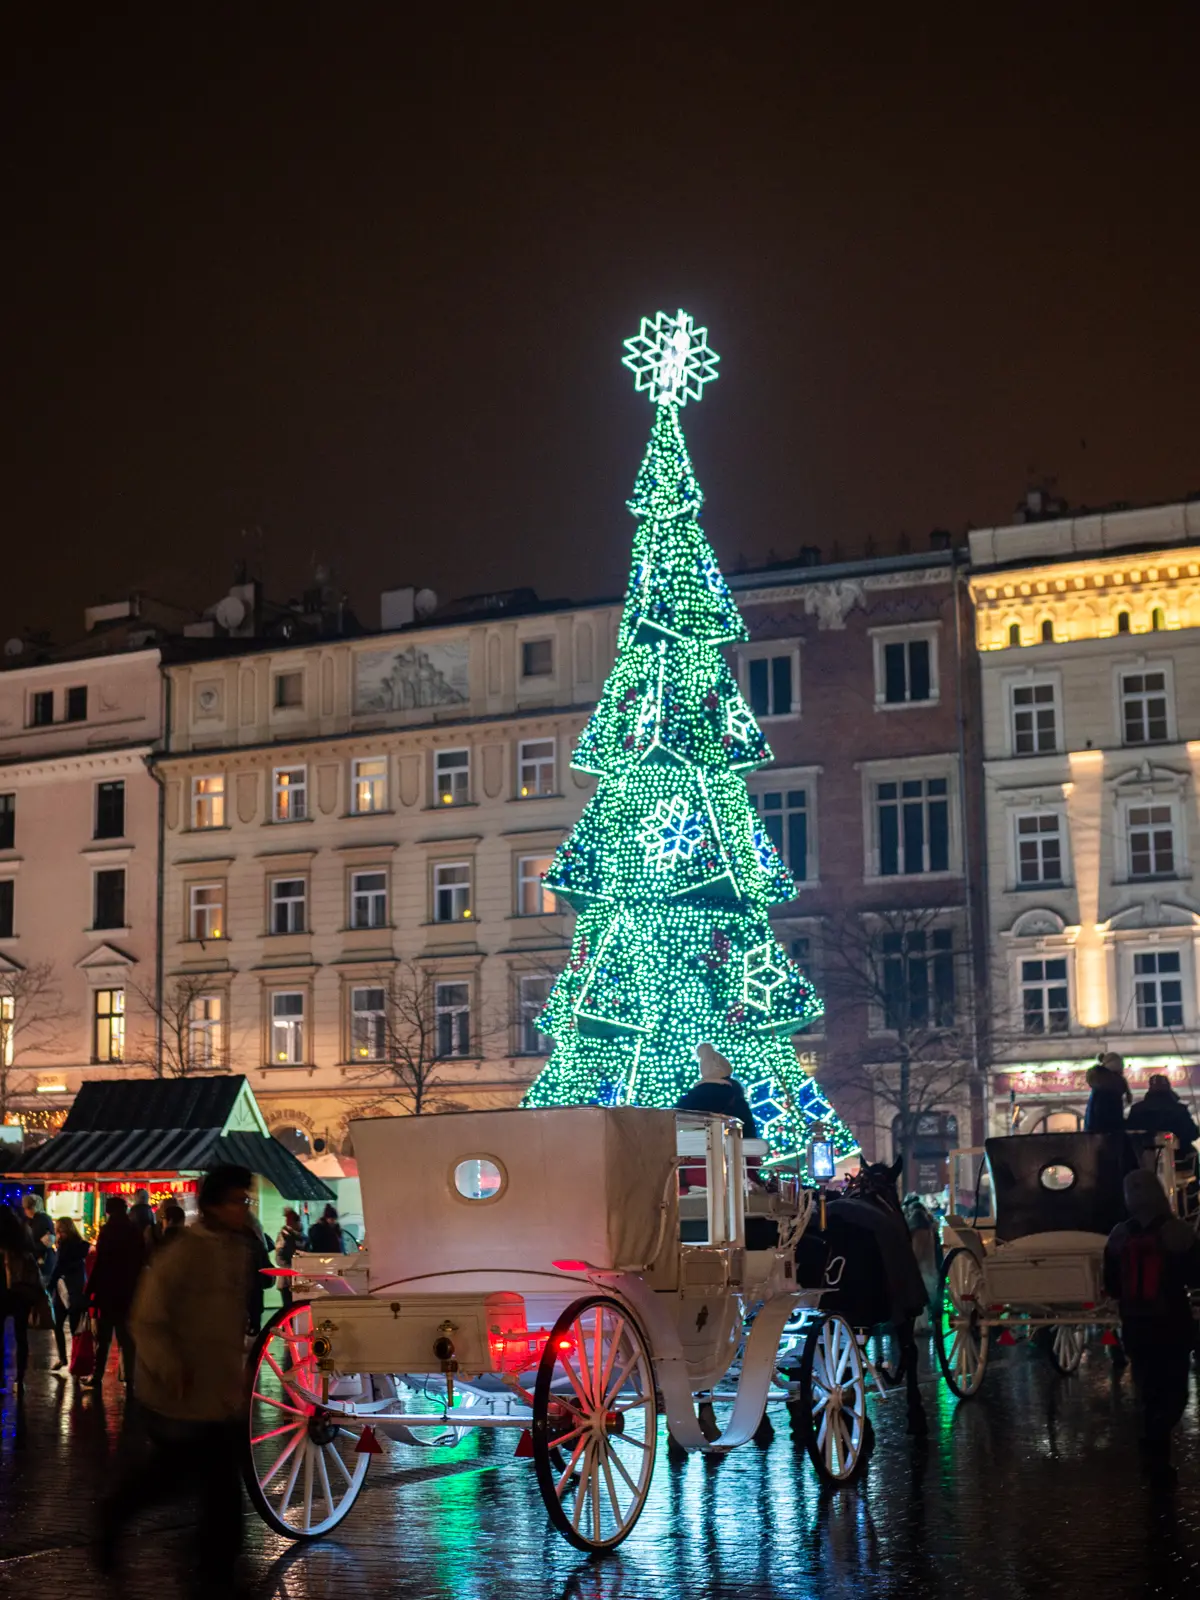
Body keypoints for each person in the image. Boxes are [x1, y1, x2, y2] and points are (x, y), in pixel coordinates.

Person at [98, 1164, 254, 1595]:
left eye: (246, 1200)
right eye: (238, 1200)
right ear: (214, 1205)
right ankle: (208, 1566)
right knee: (181, 1478)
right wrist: (169, 1369)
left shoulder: (236, 1250)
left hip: (214, 1395)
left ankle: (213, 1565)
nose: (244, 1209)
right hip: (181, 1394)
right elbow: (147, 1318)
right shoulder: (186, 1251)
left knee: (207, 1484)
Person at [1104, 1167, 1200, 1481]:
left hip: (1134, 1324)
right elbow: (1194, 1275)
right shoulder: (1178, 1231)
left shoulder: (1119, 1234)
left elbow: (1113, 1284)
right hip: (1172, 1322)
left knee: (1148, 1389)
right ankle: (1156, 1443)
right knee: (1175, 1394)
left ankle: (1152, 1455)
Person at [83, 1195, 145, 1393]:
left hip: (108, 1289)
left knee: (104, 1337)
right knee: (126, 1337)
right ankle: (130, 1377)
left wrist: (90, 1289)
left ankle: (98, 1375)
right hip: (128, 1290)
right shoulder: (133, 1230)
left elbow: (101, 1262)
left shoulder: (108, 1230)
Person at [676, 1042, 758, 1138]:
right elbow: (749, 1130)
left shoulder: (697, 1097)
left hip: (701, 1148)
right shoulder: (736, 1095)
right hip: (736, 1147)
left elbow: (675, 1118)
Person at [0, 1205, 40, 1392]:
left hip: (2, 1291)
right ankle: (20, 1378)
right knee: (21, 1335)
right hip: (21, 1291)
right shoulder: (23, 1237)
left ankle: (1, 1377)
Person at [47, 1215, 90, 1374]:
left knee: (58, 1325)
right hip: (76, 1290)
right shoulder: (81, 1246)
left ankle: (63, 1358)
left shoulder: (64, 1247)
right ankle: (74, 1360)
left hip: (63, 1289)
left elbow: (59, 1268)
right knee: (74, 1329)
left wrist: (49, 1286)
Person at [1127, 1074, 1200, 1157]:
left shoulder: (1137, 1109)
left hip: (1144, 1157)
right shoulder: (1180, 1109)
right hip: (1178, 1156)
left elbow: (1130, 1133)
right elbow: (1193, 1133)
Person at [1084, 1051, 1132, 1134]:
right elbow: (1110, 1119)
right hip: (1106, 1138)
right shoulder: (1110, 1091)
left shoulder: (1101, 1087)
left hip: (1096, 1136)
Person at [22, 1191, 56, 1287]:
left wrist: (31, 1248)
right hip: (38, 1261)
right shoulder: (32, 1220)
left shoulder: (43, 1220)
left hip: (43, 1262)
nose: (25, 1211)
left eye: (27, 1208)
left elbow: (48, 1241)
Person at [275, 1207, 305, 1308]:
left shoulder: (304, 1237)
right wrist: (291, 1268)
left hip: (301, 1281)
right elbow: (279, 1259)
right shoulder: (283, 1236)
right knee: (288, 1311)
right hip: (287, 1281)